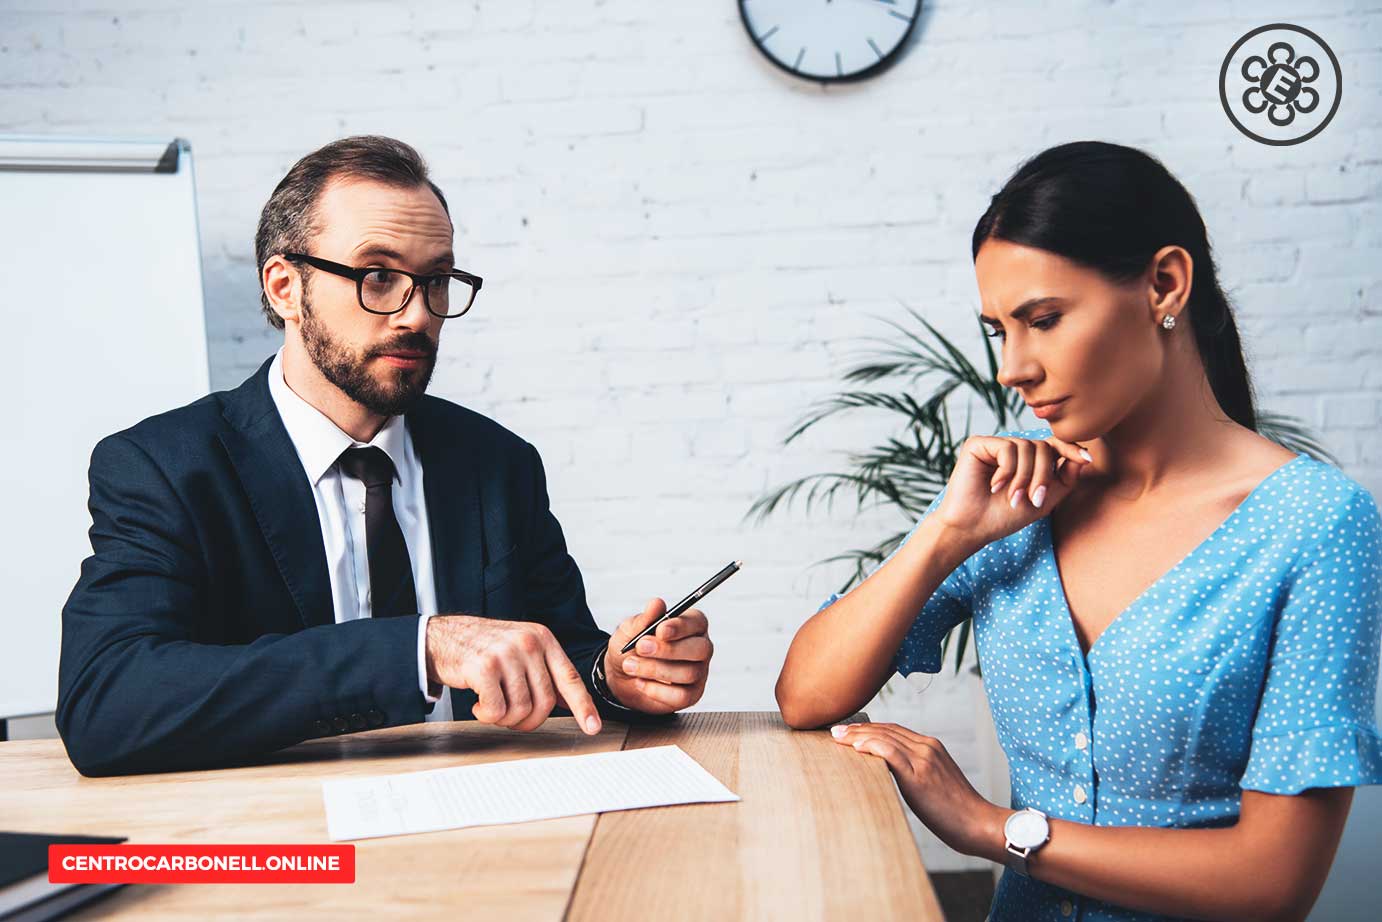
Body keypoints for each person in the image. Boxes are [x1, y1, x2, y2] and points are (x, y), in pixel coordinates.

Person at [775, 141, 1381, 921]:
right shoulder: (1012, 500)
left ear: (1165, 283)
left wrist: (992, 828)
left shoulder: (1317, 526)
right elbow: (805, 694)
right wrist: (948, 535)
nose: (1011, 368)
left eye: (1045, 319)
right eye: (1000, 329)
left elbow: (1273, 882)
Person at [57, 136, 714, 777]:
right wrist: (419, 648)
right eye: (377, 276)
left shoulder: (497, 463)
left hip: (485, 821)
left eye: (434, 281)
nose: (416, 316)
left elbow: (555, 647)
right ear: (285, 288)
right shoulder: (165, 467)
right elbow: (105, 701)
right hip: (284, 840)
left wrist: (617, 674)